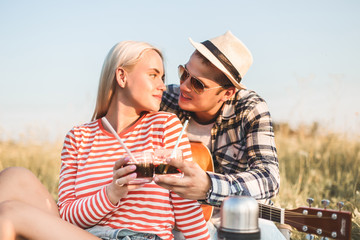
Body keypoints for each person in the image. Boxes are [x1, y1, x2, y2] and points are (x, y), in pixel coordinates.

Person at [0, 41, 210, 240]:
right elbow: (65, 215)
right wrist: (112, 193)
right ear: (121, 76)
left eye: (162, 78)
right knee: (13, 176)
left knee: (10, 212)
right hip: (85, 234)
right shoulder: (78, 137)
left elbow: (186, 207)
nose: (162, 86)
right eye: (153, 75)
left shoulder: (165, 125)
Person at [155, 31, 286, 239]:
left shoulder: (250, 108)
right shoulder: (166, 99)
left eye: (197, 84)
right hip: (181, 218)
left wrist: (208, 186)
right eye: (183, 73)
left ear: (228, 93)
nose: (183, 85)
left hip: (242, 217)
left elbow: (269, 178)